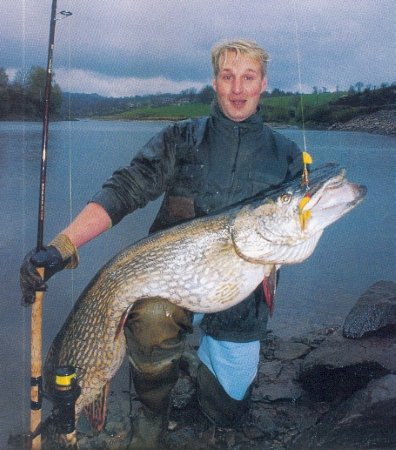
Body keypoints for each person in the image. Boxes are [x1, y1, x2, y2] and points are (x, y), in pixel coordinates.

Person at [20, 39, 304, 449]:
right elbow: (124, 190)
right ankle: (152, 414)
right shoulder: (181, 138)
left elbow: (295, 227)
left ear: (263, 84)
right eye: (228, 77)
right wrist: (63, 246)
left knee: (226, 412)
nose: (238, 89)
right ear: (214, 82)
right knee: (152, 317)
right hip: (172, 278)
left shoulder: (287, 155)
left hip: (242, 291)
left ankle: (190, 361)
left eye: (248, 77)